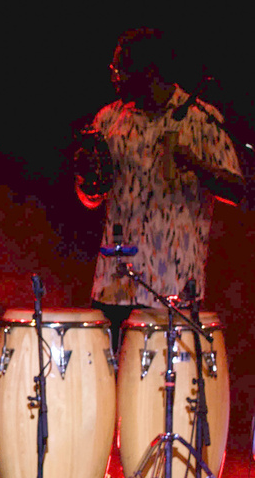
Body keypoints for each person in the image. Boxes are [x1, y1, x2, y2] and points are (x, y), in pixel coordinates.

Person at [76, 28, 243, 349]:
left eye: (121, 68)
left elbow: (237, 191)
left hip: (172, 286)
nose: (115, 76)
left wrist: (193, 161)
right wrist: (86, 181)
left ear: (149, 72)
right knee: (107, 387)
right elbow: (90, 200)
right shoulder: (109, 119)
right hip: (114, 283)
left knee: (161, 392)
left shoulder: (199, 120)